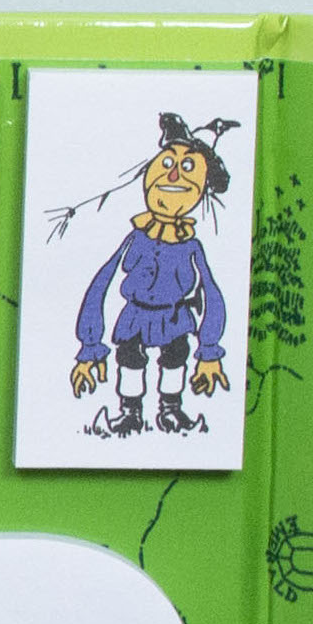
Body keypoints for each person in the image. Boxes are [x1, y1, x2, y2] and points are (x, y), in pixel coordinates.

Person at [69, 114, 233, 435]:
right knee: (129, 358)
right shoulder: (136, 238)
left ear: (202, 188)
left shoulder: (191, 246)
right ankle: (130, 412)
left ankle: (170, 410)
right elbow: (101, 284)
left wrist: (209, 350)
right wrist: (90, 345)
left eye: (187, 168)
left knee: (175, 357)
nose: (173, 174)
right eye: (167, 163)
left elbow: (211, 294)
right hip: (135, 316)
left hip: (174, 317)